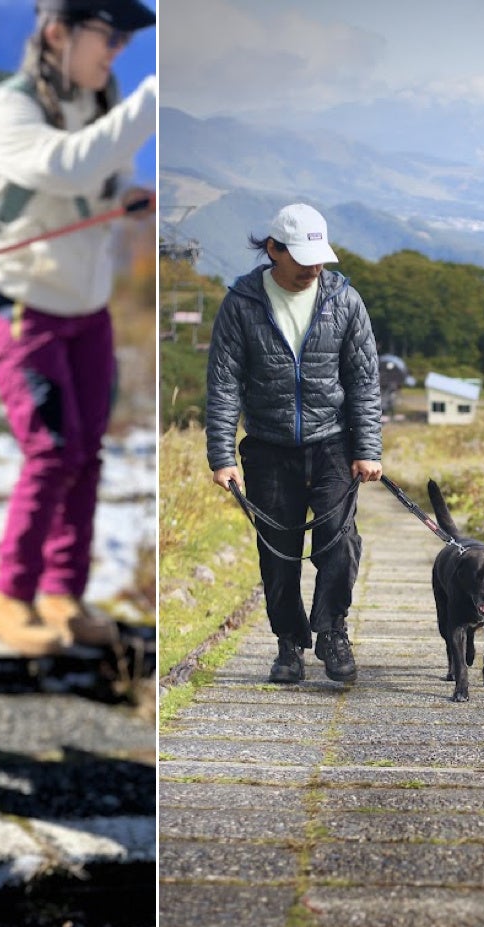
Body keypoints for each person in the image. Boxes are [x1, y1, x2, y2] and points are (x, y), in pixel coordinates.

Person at [0, 0, 157, 655]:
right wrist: (155, 98)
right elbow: (64, 167)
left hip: (89, 313)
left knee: (86, 455)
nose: (116, 52)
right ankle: (11, 598)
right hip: (25, 310)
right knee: (52, 452)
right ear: (58, 32)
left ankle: (62, 594)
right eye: (107, 35)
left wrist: (121, 204)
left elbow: (94, 183)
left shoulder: (94, 107)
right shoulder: (9, 108)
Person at [204, 203, 383, 684]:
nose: (314, 267)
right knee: (278, 555)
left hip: (333, 446)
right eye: (302, 257)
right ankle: (288, 646)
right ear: (273, 250)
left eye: (320, 257)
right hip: (267, 447)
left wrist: (368, 449)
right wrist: (222, 456)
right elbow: (223, 384)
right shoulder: (241, 304)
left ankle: (332, 632)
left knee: (340, 545)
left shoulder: (345, 301)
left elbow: (364, 381)